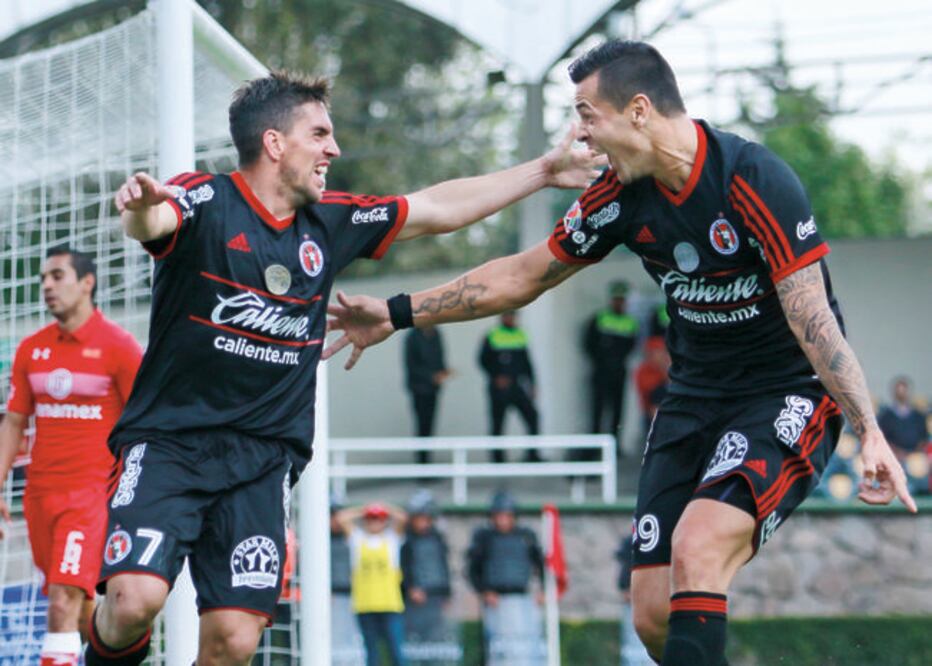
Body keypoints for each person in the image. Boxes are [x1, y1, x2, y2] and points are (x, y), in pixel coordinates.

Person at [324, 40, 916, 666]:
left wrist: (867, 429)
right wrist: (395, 313)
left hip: (784, 393)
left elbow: (812, 316)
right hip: (692, 400)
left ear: (638, 110)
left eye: (586, 113)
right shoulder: (618, 196)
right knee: (654, 614)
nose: (580, 134)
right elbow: (526, 275)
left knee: (699, 542)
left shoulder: (752, 179)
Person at [85, 69, 600, 665]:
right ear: (275, 144)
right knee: (132, 601)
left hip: (262, 459)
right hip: (170, 445)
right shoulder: (208, 198)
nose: (334, 149)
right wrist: (142, 212)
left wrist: (543, 172)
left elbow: (434, 208)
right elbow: (157, 220)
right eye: (320, 134)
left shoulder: (331, 222)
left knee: (234, 639)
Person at [0, 247, 142, 666]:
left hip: (91, 498)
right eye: (43, 278)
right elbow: (13, 423)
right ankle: (127, 653)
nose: (46, 285)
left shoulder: (120, 347)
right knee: (80, 613)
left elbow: (145, 425)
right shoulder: (31, 350)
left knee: (60, 604)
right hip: (41, 499)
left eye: (57, 275)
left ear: (87, 283)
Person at [466, 491, 545, 666]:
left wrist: (543, 590)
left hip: (522, 600)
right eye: (498, 516)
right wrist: (484, 591)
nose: (502, 520)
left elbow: (541, 564)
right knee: (498, 649)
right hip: (495, 601)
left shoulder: (526, 536)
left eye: (506, 516)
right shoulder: (484, 538)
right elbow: (473, 570)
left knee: (523, 646)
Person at [336, 502, 409, 666]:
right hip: (364, 605)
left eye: (378, 519)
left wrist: (384, 508)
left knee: (396, 651)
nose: (375, 522)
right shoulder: (357, 539)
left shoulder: (391, 540)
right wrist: (364, 510)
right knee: (371, 653)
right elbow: (342, 518)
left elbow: (403, 518)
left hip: (390, 604)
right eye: (371, 519)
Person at [581, 280, 639, 456]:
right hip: (601, 370)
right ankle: (594, 447)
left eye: (622, 299)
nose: (619, 303)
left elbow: (632, 345)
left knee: (617, 410)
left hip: (619, 370)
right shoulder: (599, 318)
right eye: (616, 299)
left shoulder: (630, 322)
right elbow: (588, 343)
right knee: (597, 409)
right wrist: (600, 360)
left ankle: (615, 446)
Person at [478, 311, 541, 463]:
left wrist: (532, 384)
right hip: (499, 388)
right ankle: (497, 459)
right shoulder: (492, 334)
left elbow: (527, 363)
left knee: (532, 416)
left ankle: (533, 454)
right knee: (498, 422)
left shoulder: (520, 334)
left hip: (517, 385)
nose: (510, 318)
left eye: (513, 316)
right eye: (507, 315)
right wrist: (495, 377)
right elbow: (482, 360)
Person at [400, 490, 454, 658]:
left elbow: (444, 566)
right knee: (416, 646)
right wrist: (411, 587)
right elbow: (403, 567)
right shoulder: (405, 540)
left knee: (436, 643)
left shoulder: (437, 538)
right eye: (419, 517)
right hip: (416, 598)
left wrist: (446, 592)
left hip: (436, 595)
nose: (423, 522)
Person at [403, 326, 451, 464]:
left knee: (430, 426)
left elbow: (440, 357)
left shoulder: (436, 334)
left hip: (433, 389)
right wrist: (431, 376)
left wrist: (443, 372)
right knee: (421, 426)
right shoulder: (412, 337)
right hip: (419, 389)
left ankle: (427, 464)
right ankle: (422, 465)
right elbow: (411, 365)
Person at [877, 376, 928, 460]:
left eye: (903, 391)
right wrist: (897, 453)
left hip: (915, 458)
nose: (901, 394)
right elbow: (883, 438)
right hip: (894, 457)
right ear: (894, 393)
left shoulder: (919, 416)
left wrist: (915, 453)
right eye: (899, 391)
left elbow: (923, 437)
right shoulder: (886, 417)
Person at [633, 336, 671, 441]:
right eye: (656, 352)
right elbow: (651, 392)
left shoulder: (672, 368)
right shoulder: (644, 371)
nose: (660, 356)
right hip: (652, 414)